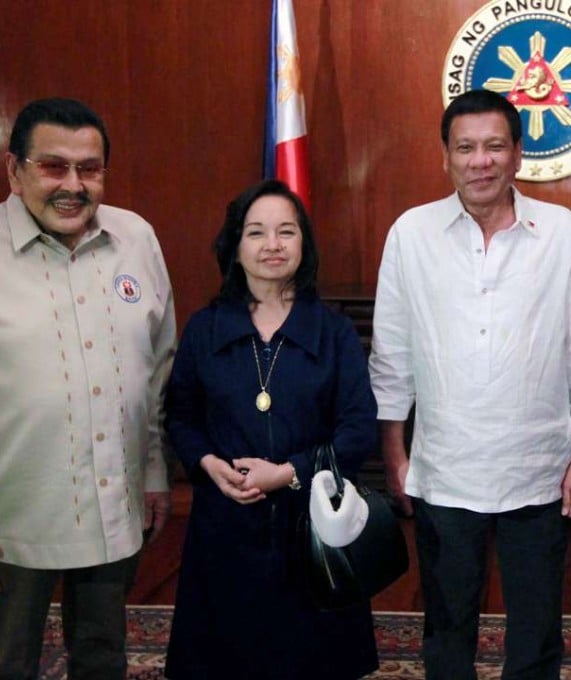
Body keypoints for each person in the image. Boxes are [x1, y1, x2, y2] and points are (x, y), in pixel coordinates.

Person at [369, 88, 571, 679]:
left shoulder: (562, 234)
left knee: (537, 630)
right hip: (446, 468)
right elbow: (392, 355)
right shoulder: (411, 233)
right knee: (447, 627)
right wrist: (395, 452)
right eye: (466, 148)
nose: (481, 161)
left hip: (540, 467)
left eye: (495, 146)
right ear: (445, 157)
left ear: (518, 154)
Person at [163, 180, 379, 679]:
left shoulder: (333, 331)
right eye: (256, 232)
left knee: (312, 660)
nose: (272, 245)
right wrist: (207, 463)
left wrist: (287, 473)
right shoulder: (205, 328)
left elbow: (357, 428)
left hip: (314, 524)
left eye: (287, 231)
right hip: (226, 521)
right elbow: (181, 415)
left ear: (304, 244)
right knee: (224, 660)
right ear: (235, 246)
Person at [0, 97, 176, 679]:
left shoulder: (136, 238)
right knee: (8, 659)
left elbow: (157, 370)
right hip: (14, 514)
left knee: (102, 655)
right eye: (54, 166)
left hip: (112, 503)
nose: (73, 185)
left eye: (90, 169)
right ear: (14, 170)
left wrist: (154, 472)